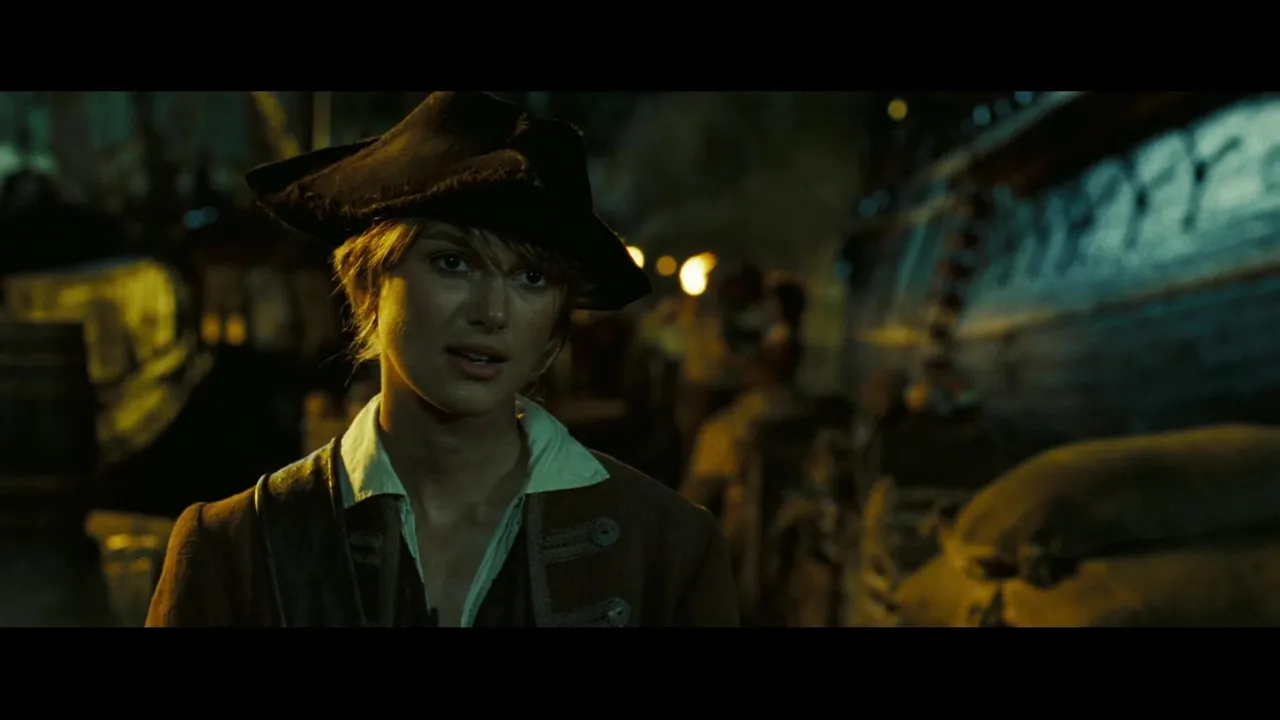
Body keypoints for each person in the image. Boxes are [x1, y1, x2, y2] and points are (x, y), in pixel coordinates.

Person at [146, 91, 737, 627]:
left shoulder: (667, 550)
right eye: (453, 262)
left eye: (531, 277)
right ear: (369, 283)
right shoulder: (237, 548)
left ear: (556, 320)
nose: (493, 312)